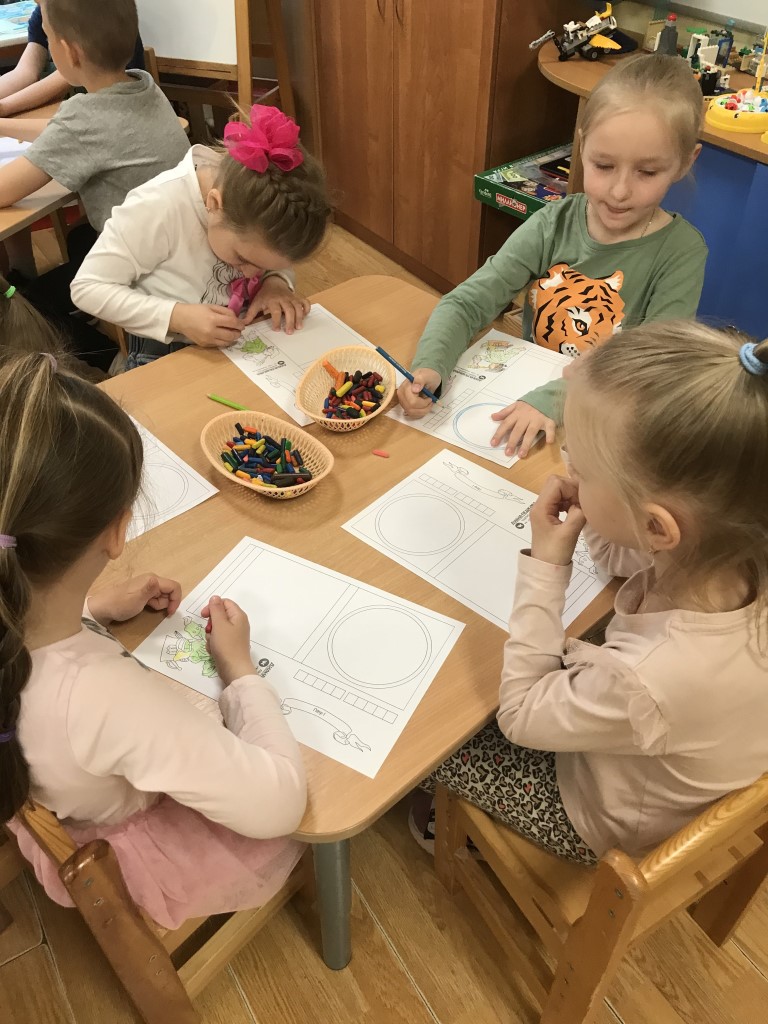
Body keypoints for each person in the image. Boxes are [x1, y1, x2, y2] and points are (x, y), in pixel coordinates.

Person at [411, 321, 768, 864]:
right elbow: (625, 556)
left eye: (580, 465)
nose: (567, 468)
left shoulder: (646, 679)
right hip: (658, 759)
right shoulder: (729, 545)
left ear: (657, 526)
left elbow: (521, 716)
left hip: (597, 815)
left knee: (430, 738)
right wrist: (599, 503)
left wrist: (546, 564)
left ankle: (455, 826)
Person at [0, 352, 307, 928]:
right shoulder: (101, 696)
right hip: (117, 840)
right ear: (117, 531)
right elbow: (279, 804)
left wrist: (90, 607)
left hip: (42, 788)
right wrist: (241, 673)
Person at [398, 54, 708, 458]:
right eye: (603, 165)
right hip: (524, 416)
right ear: (581, 144)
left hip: (601, 431)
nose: (619, 191)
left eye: (647, 173)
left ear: (685, 162)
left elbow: (647, 369)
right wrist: (430, 365)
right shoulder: (552, 223)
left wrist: (555, 400)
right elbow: (467, 302)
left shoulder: (682, 253)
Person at [0, 0, 189, 370]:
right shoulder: (141, 85)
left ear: (68, 52)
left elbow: (5, 189)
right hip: (172, 243)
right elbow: (67, 130)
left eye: (48, 39)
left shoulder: (83, 119)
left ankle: (109, 358)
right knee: (79, 239)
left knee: (28, 301)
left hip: (145, 267)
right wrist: (4, 125)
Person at [71, 104, 332, 370]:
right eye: (242, 259)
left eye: (264, 267)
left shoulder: (256, 214)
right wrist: (177, 317)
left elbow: (271, 256)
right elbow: (87, 288)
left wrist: (275, 281)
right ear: (214, 204)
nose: (252, 273)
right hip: (168, 348)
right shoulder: (158, 207)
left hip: (242, 338)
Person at [0, 0, 145, 118]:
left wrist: (5, 107)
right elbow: (26, 71)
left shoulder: (91, 10)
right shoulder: (47, 11)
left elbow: (67, 74)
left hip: (116, 111)